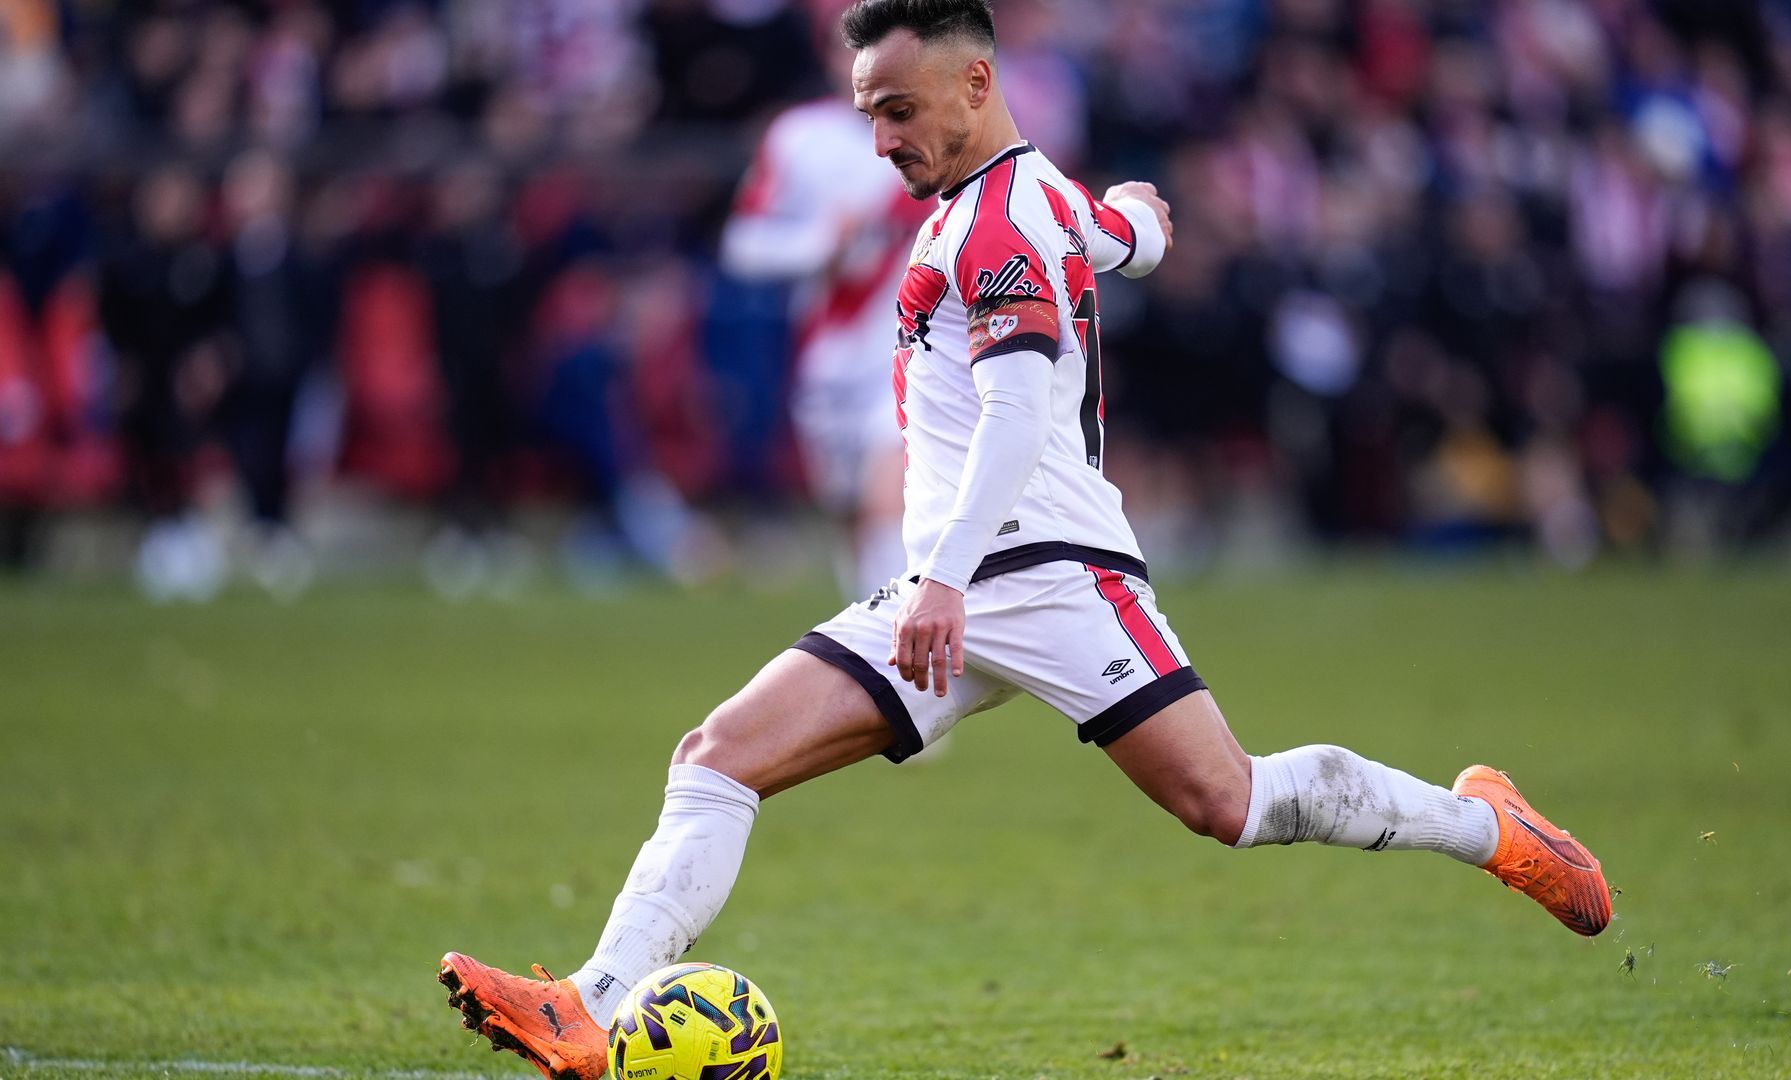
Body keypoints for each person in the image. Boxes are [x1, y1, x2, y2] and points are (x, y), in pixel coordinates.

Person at [436, 4, 1612, 1077]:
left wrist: (944, 578)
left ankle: (1488, 829)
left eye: (901, 111)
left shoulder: (995, 220)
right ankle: (588, 1006)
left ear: (976, 83)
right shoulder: (1029, 198)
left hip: (1049, 576)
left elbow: (1013, 406)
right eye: (870, 114)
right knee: (718, 755)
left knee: (1231, 802)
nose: (883, 140)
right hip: (955, 582)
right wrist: (1138, 225)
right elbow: (1122, 232)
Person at [719, 18, 920, 597]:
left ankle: (902, 631)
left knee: (893, 497)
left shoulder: (948, 134)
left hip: (916, 346)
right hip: (829, 354)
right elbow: (742, 244)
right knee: (847, 511)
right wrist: (820, 244)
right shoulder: (799, 137)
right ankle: (873, 626)